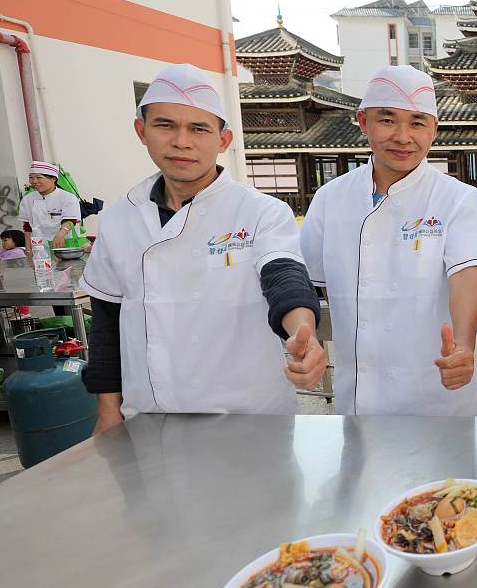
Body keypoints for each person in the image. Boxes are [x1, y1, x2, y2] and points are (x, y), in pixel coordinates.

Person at [80, 63, 326, 431]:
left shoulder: (261, 212)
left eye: (198, 128)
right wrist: (107, 411)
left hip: (248, 418)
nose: (182, 141)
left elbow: (284, 277)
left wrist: (302, 332)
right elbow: (107, 321)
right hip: (150, 415)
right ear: (141, 130)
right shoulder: (119, 217)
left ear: (223, 140)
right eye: (165, 125)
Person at [300, 65, 477, 416]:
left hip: (437, 399)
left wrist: (464, 345)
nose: (403, 136)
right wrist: (306, 340)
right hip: (359, 401)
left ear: (434, 129)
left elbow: (467, 275)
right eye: (388, 120)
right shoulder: (330, 198)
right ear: (363, 121)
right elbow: (312, 285)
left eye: (417, 122)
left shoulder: (458, 198)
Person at [18, 160, 80, 253]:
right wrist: (28, 250)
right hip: (39, 247)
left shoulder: (67, 197)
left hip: (64, 245)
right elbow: (27, 227)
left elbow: (70, 221)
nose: (34, 181)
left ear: (53, 179)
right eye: (31, 177)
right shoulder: (28, 199)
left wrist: (60, 235)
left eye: (39, 177)